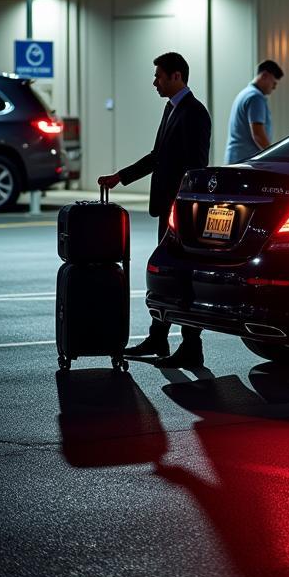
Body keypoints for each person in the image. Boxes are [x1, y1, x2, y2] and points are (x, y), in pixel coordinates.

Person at [98, 51, 212, 369]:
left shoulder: (194, 113)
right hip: (168, 209)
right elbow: (157, 157)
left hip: (182, 212)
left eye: (159, 76)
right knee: (166, 274)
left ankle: (191, 346)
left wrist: (181, 205)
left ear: (176, 76)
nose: (155, 82)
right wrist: (120, 177)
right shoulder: (172, 109)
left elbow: (195, 165)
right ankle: (159, 337)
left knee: (183, 276)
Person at [225, 60, 283, 164]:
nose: (274, 87)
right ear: (265, 75)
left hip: (236, 159)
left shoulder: (245, 93)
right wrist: (273, 157)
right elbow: (258, 135)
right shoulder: (256, 97)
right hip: (245, 163)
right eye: (274, 82)